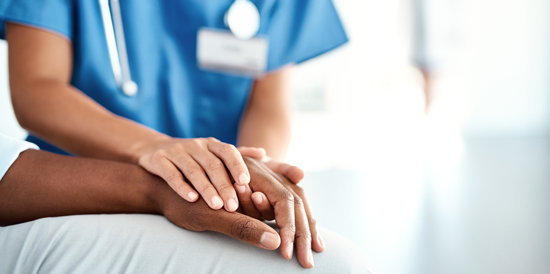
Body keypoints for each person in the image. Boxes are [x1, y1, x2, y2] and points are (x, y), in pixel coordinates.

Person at [0, 133, 375, 273]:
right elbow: (38, 87)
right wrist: (158, 184)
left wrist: (244, 177)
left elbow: (270, 92)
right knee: (336, 268)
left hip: (200, 180)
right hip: (73, 185)